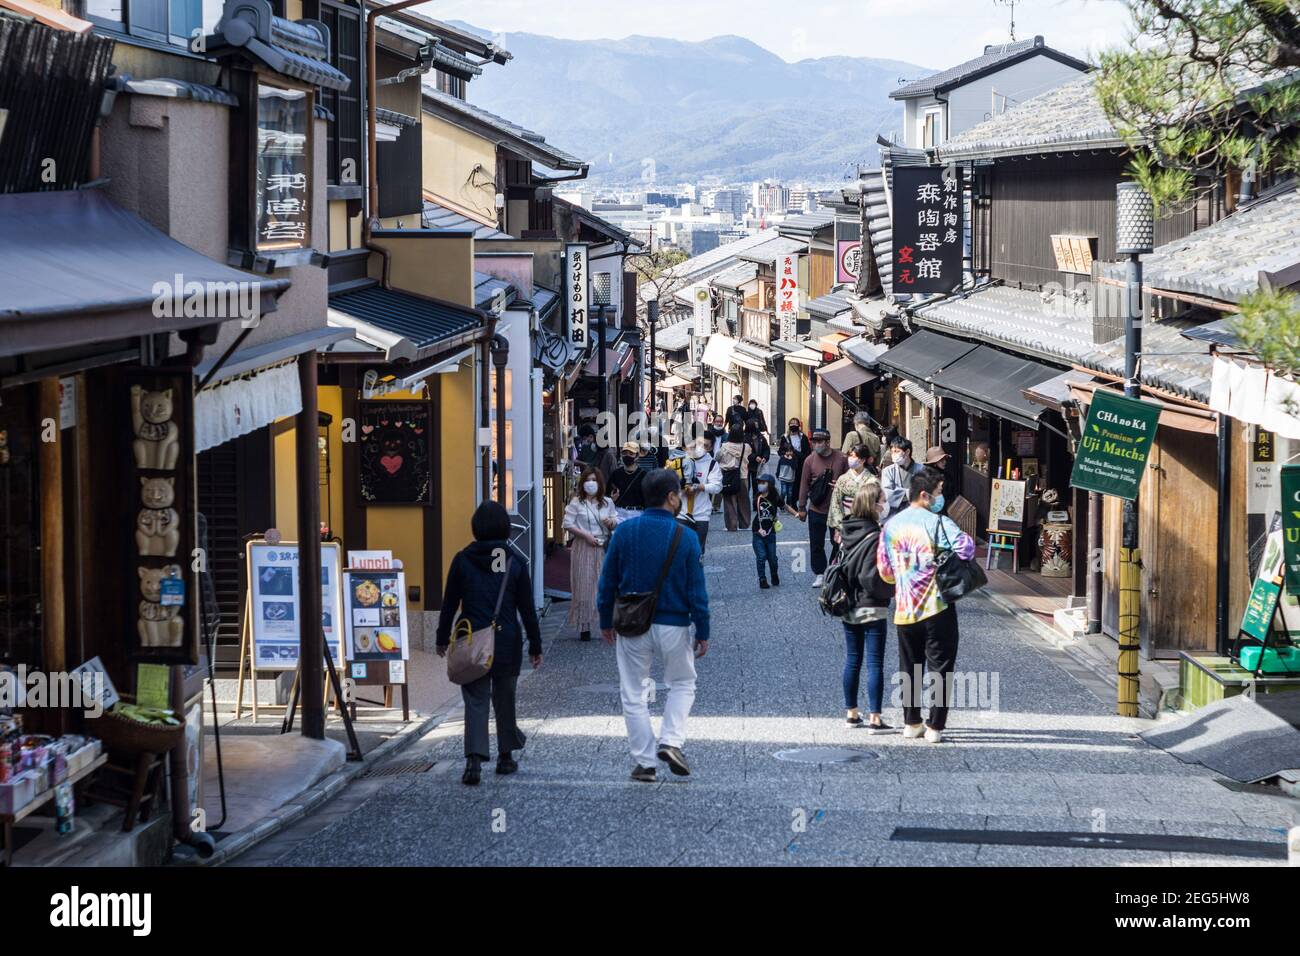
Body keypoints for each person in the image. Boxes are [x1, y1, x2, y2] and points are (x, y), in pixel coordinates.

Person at [597, 469, 710, 782]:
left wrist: (605, 619)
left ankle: (645, 762)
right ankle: (671, 741)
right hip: (674, 623)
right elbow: (697, 591)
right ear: (672, 498)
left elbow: (607, 581)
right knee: (683, 683)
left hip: (633, 622)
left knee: (633, 692)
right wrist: (703, 629)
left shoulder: (623, 533)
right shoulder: (685, 537)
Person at [436, 501, 543, 785]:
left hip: (472, 640)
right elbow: (527, 609)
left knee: (476, 699)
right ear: (505, 528)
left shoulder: (462, 560)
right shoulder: (515, 561)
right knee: (505, 698)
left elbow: (449, 603)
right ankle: (505, 757)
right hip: (506, 640)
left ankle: (473, 762)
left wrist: (441, 637)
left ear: (476, 528)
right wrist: (535, 645)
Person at [876, 469, 976, 743]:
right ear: (924, 495)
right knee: (940, 668)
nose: (940, 497)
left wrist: (904, 576)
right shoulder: (937, 523)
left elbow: (884, 570)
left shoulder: (891, 526)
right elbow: (966, 549)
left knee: (910, 666)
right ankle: (935, 726)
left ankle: (911, 723)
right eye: (939, 492)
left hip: (905, 607)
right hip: (937, 606)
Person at [837, 481, 895, 731]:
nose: (885, 504)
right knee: (874, 664)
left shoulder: (845, 531)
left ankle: (851, 713)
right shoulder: (877, 534)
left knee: (852, 660)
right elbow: (876, 574)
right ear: (873, 505)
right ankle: (874, 718)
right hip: (872, 604)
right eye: (882, 500)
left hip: (848, 603)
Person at [562, 467, 619, 641]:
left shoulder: (608, 502)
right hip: (583, 546)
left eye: (594, 480)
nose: (591, 483)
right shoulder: (576, 502)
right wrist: (585, 535)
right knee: (585, 585)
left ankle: (611, 624)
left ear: (600, 482)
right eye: (588, 480)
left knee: (607, 585)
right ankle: (584, 625)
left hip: (604, 547)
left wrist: (611, 522)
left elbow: (615, 519)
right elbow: (567, 523)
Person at [796, 427, 848, 588]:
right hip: (816, 508)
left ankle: (833, 570)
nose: (816, 444)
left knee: (837, 542)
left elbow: (850, 480)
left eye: (819, 441)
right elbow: (803, 484)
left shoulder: (841, 458)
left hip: (837, 509)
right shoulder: (809, 460)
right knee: (816, 543)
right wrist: (802, 507)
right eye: (814, 442)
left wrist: (840, 485)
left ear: (828, 442)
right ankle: (819, 573)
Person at [751, 471, 799, 589]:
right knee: (761, 556)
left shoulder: (775, 498)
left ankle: (774, 574)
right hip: (758, 531)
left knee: (772, 558)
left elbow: (785, 506)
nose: (760, 485)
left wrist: (797, 514)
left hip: (771, 532)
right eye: (759, 482)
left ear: (770, 485)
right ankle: (762, 579)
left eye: (763, 483)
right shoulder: (757, 497)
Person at [680, 437, 722, 556]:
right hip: (681, 514)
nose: (700, 448)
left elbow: (717, 486)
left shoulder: (712, 464)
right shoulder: (679, 461)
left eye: (705, 445)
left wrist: (700, 487)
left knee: (697, 552)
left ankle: (696, 573)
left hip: (701, 515)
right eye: (698, 444)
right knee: (680, 551)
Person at [828, 443, 876, 544]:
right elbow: (835, 503)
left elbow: (877, 505)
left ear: (862, 460)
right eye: (850, 455)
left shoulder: (872, 480)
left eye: (854, 456)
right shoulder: (843, 479)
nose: (850, 458)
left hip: (865, 524)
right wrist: (839, 526)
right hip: (845, 522)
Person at [880, 436, 925, 522]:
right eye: (892, 452)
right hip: (894, 516)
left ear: (907, 452)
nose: (893, 454)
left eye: (897, 451)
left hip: (917, 514)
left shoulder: (921, 469)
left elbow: (924, 493)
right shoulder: (887, 471)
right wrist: (910, 492)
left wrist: (899, 492)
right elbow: (887, 494)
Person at [717, 425, 752, 532]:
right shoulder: (746, 447)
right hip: (743, 476)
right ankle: (745, 524)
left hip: (728, 476)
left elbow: (717, 458)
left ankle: (731, 525)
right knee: (744, 501)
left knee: (729, 501)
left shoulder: (724, 446)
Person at [776, 418, 810, 501]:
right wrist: (786, 455)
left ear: (798, 425)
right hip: (788, 464)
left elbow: (807, 451)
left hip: (800, 464)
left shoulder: (803, 437)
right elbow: (780, 451)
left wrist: (798, 454)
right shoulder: (785, 437)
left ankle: (793, 501)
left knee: (797, 483)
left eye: (795, 423)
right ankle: (786, 501)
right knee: (787, 484)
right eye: (791, 423)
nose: (793, 425)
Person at [608, 441, 647, 511]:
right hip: (619, 512)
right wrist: (612, 498)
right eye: (624, 453)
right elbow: (608, 493)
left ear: (637, 456)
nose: (627, 456)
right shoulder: (616, 474)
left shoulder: (644, 475)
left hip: (638, 513)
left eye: (631, 453)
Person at [745, 417, 770, 509]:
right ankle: (745, 505)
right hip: (747, 466)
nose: (757, 426)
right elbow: (745, 452)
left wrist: (765, 457)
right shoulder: (745, 437)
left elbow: (766, 449)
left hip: (758, 466)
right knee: (746, 487)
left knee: (757, 486)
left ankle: (756, 504)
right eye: (755, 425)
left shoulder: (761, 437)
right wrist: (754, 457)